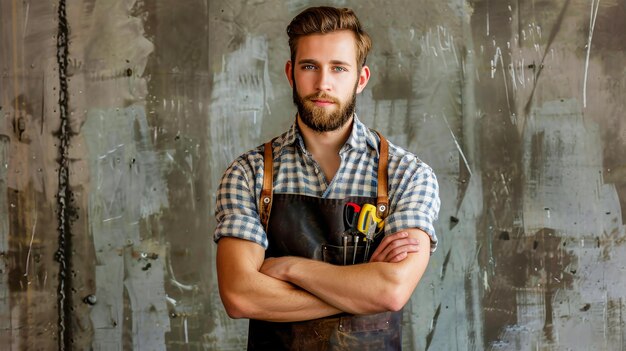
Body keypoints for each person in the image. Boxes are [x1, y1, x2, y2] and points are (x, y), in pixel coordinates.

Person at [214, 6, 440, 350]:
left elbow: (392, 291)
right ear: (291, 73)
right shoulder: (249, 174)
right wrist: (362, 294)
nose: (323, 84)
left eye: (338, 68)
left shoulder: (406, 175)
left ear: (360, 79)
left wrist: (290, 268)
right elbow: (240, 296)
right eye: (310, 67)